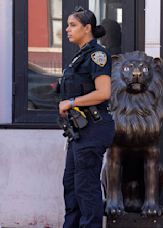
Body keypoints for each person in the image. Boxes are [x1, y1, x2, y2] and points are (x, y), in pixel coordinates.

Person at [59, 6, 115, 228]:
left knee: (86, 187)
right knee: (71, 185)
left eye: (72, 25)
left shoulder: (97, 55)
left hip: (93, 128)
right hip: (79, 131)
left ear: (87, 28)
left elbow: (104, 93)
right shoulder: (79, 57)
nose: (67, 29)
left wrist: (71, 102)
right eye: (68, 25)